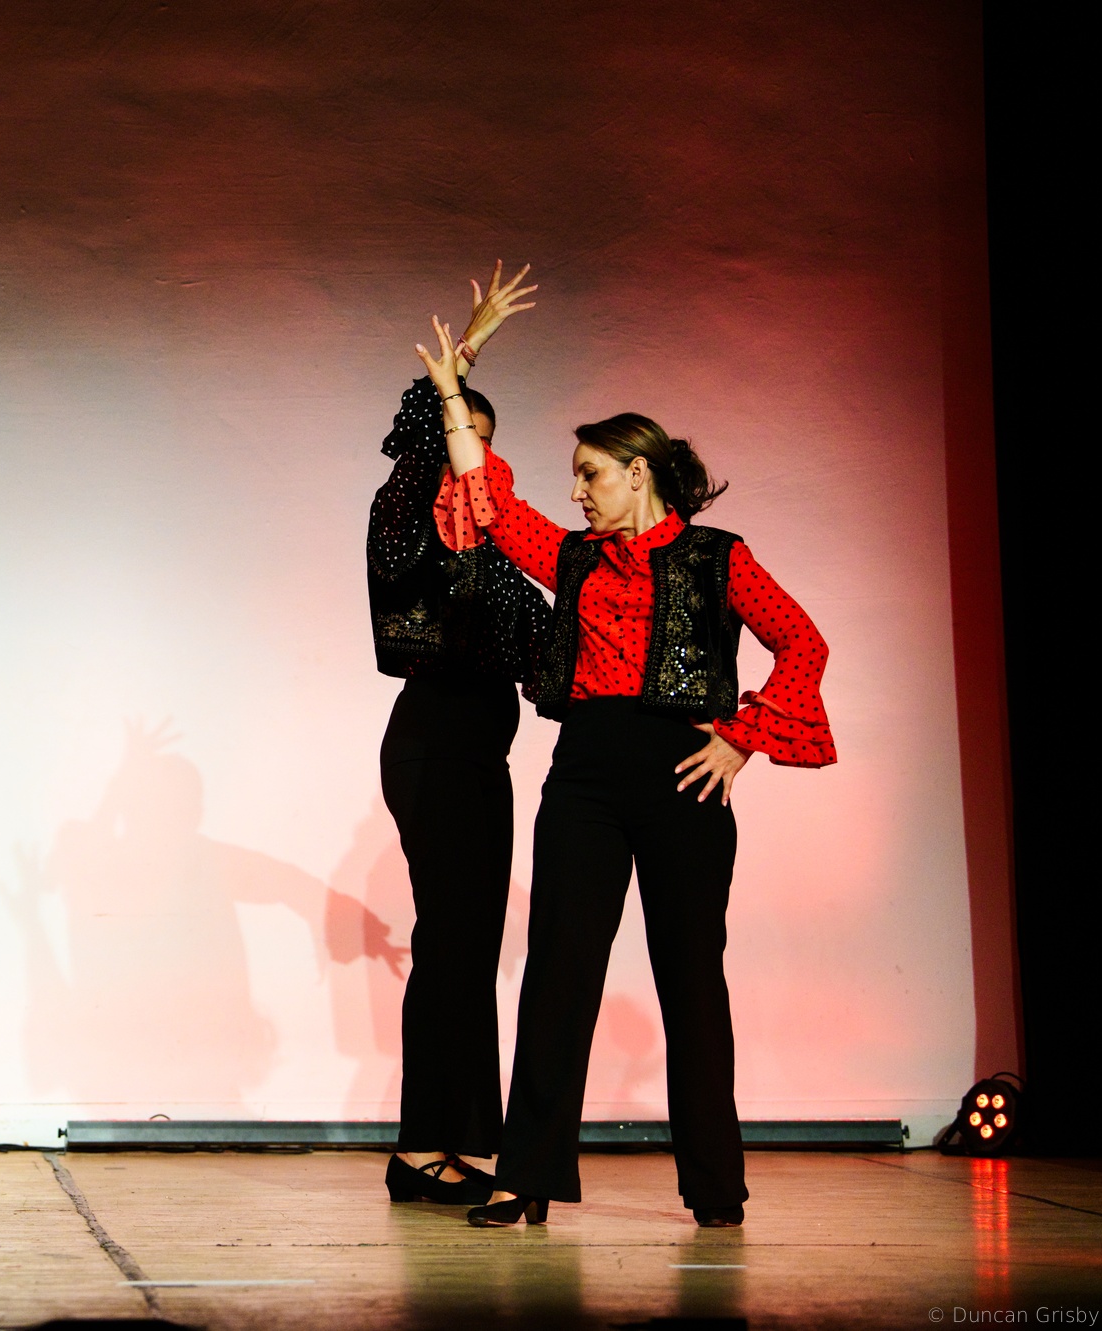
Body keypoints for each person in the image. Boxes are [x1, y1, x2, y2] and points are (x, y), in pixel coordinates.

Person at [412, 309, 834, 1229]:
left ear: (637, 472)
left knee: (692, 980)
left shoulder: (719, 558)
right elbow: (489, 501)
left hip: (683, 775)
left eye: (590, 475)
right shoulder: (574, 559)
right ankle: (526, 1174)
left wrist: (743, 738)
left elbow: (802, 642)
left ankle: (715, 1185)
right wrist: (451, 391)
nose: (577, 493)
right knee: (558, 973)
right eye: (574, 478)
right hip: (587, 777)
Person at [369, 263, 548, 1206]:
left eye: (474, 431)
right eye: (450, 426)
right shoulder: (410, 511)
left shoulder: (501, 541)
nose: (460, 441)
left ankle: (457, 1138)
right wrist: (459, 362)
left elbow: (545, 647)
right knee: (449, 941)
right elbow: (416, 441)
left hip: (484, 750)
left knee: (474, 945)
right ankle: (419, 1146)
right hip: (434, 740)